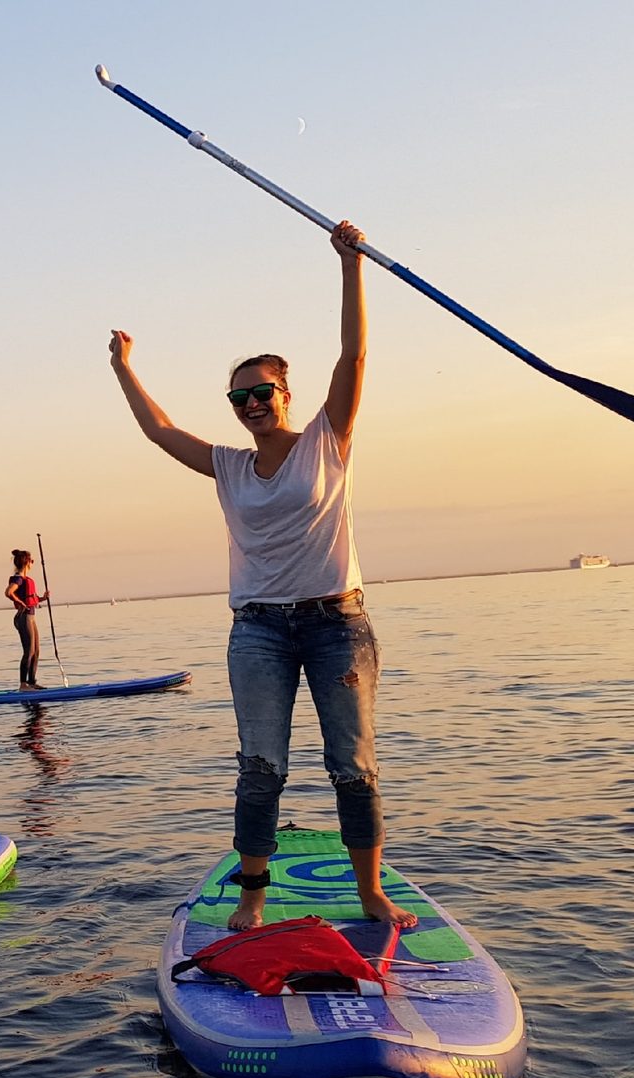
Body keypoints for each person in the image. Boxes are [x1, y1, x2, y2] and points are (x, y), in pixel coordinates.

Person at [108, 220, 417, 933]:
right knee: (261, 767)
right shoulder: (228, 465)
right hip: (259, 632)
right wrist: (125, 365)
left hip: (338, 623)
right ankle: (253, 896)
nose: (252, 405)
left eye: (263, 392)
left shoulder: (326, 441)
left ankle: (371, 894)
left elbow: (355, 352)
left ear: (286, 392)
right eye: (240, 398)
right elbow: (159, 430)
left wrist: (350, 266)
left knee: (353, 767)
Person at [3, 549, 50, 690]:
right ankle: (23, 684)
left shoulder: (27, 580)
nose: (33, 563)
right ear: (26, 562)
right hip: (24, 617)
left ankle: (32, 682)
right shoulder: (18, 579)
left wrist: (43, 598)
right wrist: (21, 603)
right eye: (31, 560)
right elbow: (8, 592)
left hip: (31, 616)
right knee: (28, 651)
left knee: (36, 650)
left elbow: (32, 599)